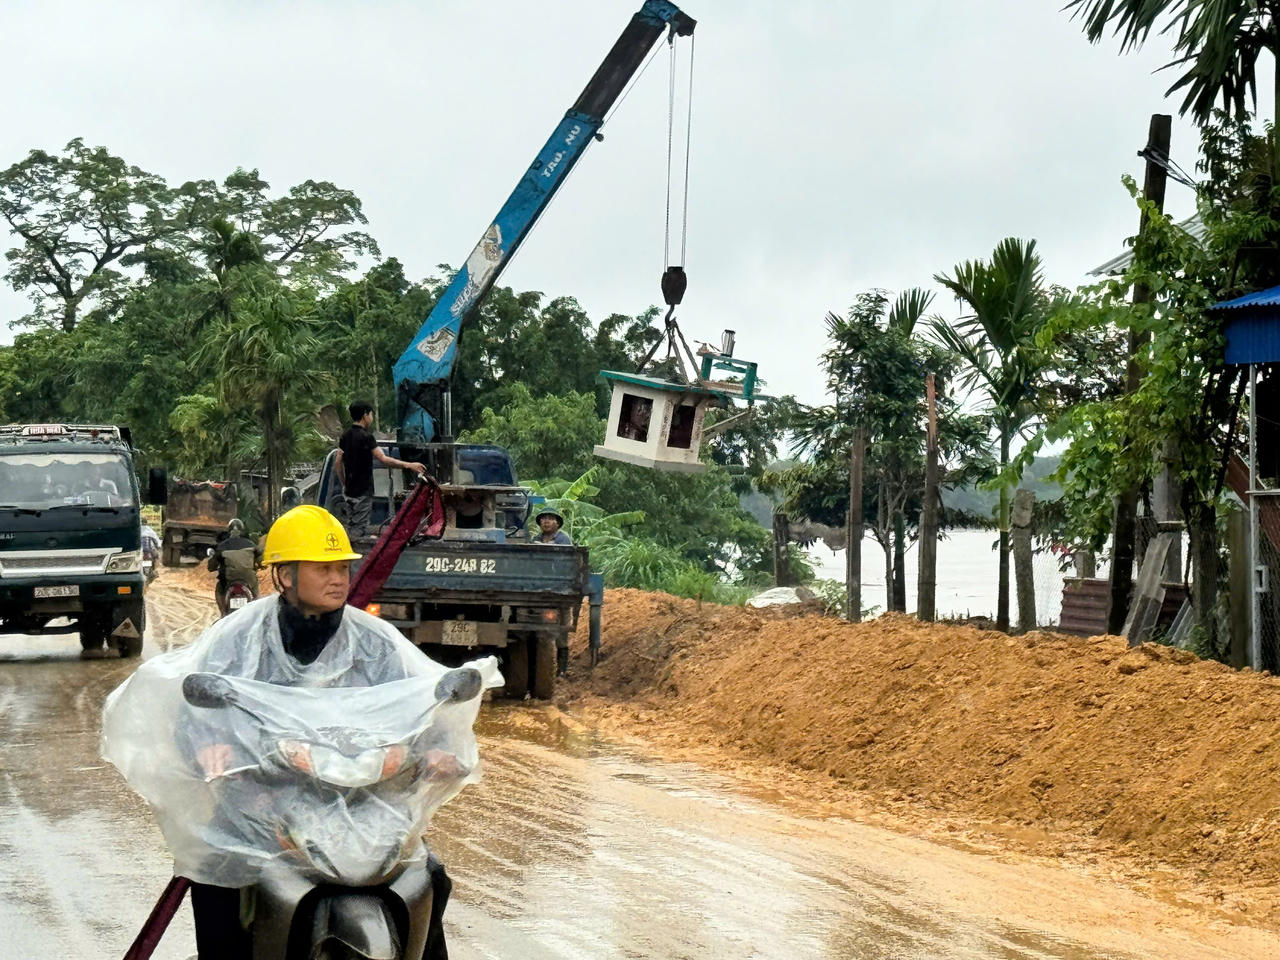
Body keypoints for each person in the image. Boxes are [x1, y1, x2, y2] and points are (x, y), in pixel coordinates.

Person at [155, 505, 460, 958]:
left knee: (429, 873)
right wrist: (208, 746)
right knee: (213, 868)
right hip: (262, 796)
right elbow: (197, 712)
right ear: (284, 575)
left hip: (361, 798)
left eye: (342, 568)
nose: (338, 579)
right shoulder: (237, 638)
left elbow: (413, 704)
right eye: (323, 569)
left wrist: (437, 747)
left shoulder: (375, 641)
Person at [334, 400, 427, 537]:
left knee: (351, 524)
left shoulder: (345, 436)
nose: (371, 417)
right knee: (358, 530)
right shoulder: (367, 437)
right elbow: (384, 459)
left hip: (348, 491)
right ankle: (357, 555)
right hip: (363, 490)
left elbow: (337, 462)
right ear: (365, 415)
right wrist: (409, 465)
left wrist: (344, 482)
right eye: (371, 414)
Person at [206, 518, 261, 616]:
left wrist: (213, 566)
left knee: (219, 588)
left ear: (228, 530)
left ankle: (223, 613)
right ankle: (255, 611)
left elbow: (211, 566)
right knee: (255, 588)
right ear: (243, 530)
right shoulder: (251, 545)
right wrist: (260, 565)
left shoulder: (221, 547)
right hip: (248, 578)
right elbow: (260, 560)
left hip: (228, 580)